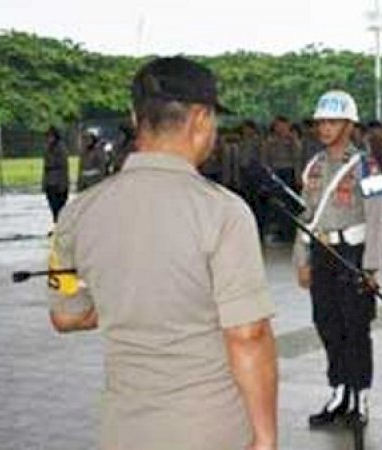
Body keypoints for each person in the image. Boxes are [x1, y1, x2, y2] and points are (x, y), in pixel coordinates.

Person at [47, 56, 278, 450]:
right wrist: (266, 437)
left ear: (137, 119)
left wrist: (135, 298)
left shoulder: (77, 214)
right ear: (201, 119)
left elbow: (66, 316)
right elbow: (248, 335)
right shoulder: (223, 212)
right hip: (206, 427)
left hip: (123, 429)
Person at [293, 90, 382, 429]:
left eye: (332, 122)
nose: (325, 128)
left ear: (349, 125)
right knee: (327, 324)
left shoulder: (367, 165)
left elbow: (376, 217)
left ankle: (359, 396)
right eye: (321, 122)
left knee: (356, 327)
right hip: (322, 254)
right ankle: (338, 392)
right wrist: (301, 259)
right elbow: (305, 215)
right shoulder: (313, 165)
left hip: (353, 255)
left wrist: (371, 266)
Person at [41, 127, 70, 224]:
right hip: (50, 182)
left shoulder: (61, 148)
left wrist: (63, 184)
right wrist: (44, 183)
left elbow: (64, 167)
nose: (49, 139)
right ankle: (56, 224)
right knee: (53, 207)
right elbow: (45, 168)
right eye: (48, 137)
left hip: (59, 182)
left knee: (60, 208)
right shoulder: (47, 149)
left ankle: (59, 225)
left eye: (51, 136)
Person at [76, 127, 109, 192]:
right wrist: (79, 184)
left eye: (89, 138)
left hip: (95, 182)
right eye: (86, 138)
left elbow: (102, 169)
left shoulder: (99, 152)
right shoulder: (84, 152)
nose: (87, 140)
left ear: (94, 139)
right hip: (84, 183)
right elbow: (80, 169)